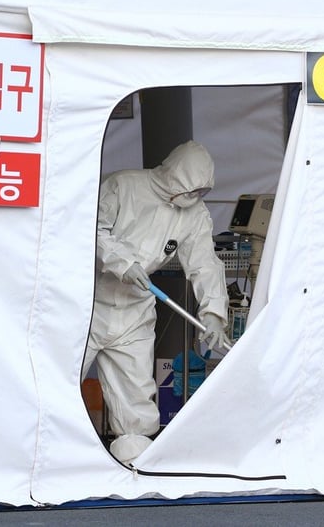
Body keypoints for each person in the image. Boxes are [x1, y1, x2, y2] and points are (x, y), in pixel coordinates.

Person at [83, 140, 231, 465]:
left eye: (201, 193)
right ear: (173, 175)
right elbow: (89, 229)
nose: (193, 199)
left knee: (135, 390)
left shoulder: (194, 213)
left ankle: (134, 456)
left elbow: (204, 262)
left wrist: (214, 312)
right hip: (87, 305)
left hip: (135, 310)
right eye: (189, 190)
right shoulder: (124, 186)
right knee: (58, 379)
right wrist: (123, 263)